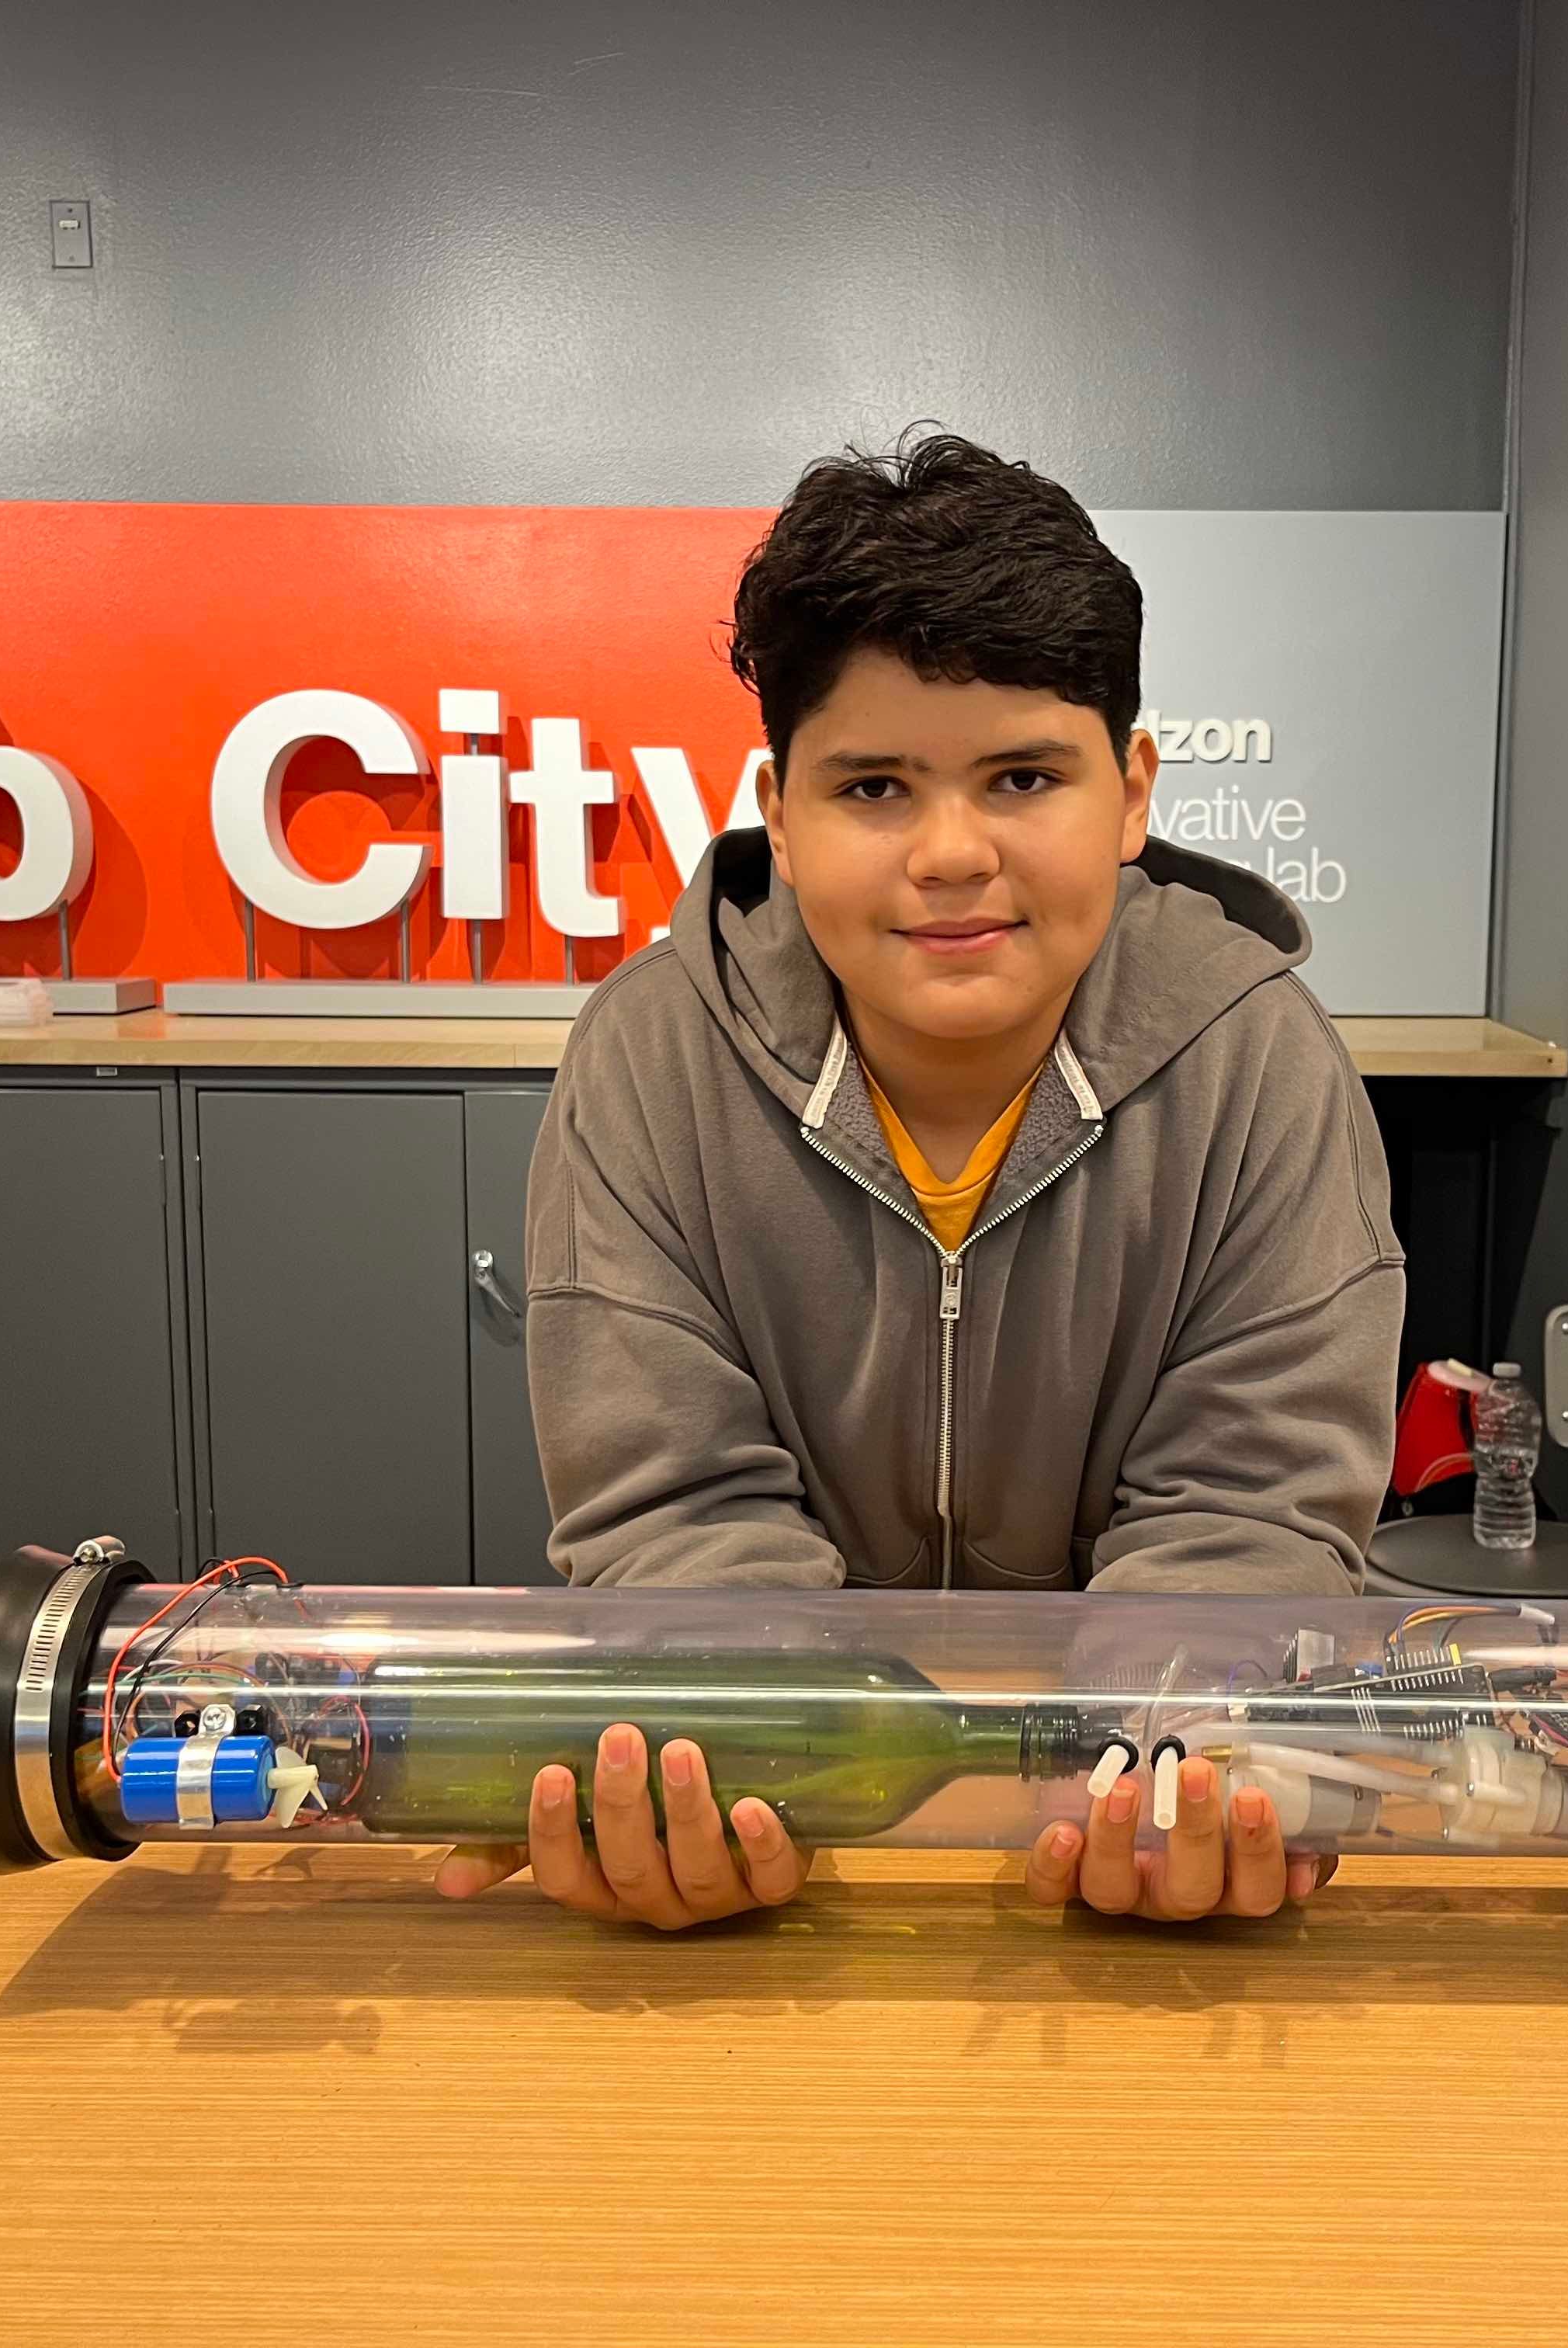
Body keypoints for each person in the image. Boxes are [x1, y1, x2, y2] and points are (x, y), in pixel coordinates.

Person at [435, 432, 1403, 1929]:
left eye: (1024, 775)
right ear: (778, 802)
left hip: (1129, 1886)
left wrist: (1172, 1769)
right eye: (874, 785)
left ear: (1133, 790)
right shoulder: (645, 1061)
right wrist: (752, 1768)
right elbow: (670, 1514)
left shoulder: (1260, 1063)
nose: (952, 853)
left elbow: (1253, 1514)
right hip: (798, 1882)